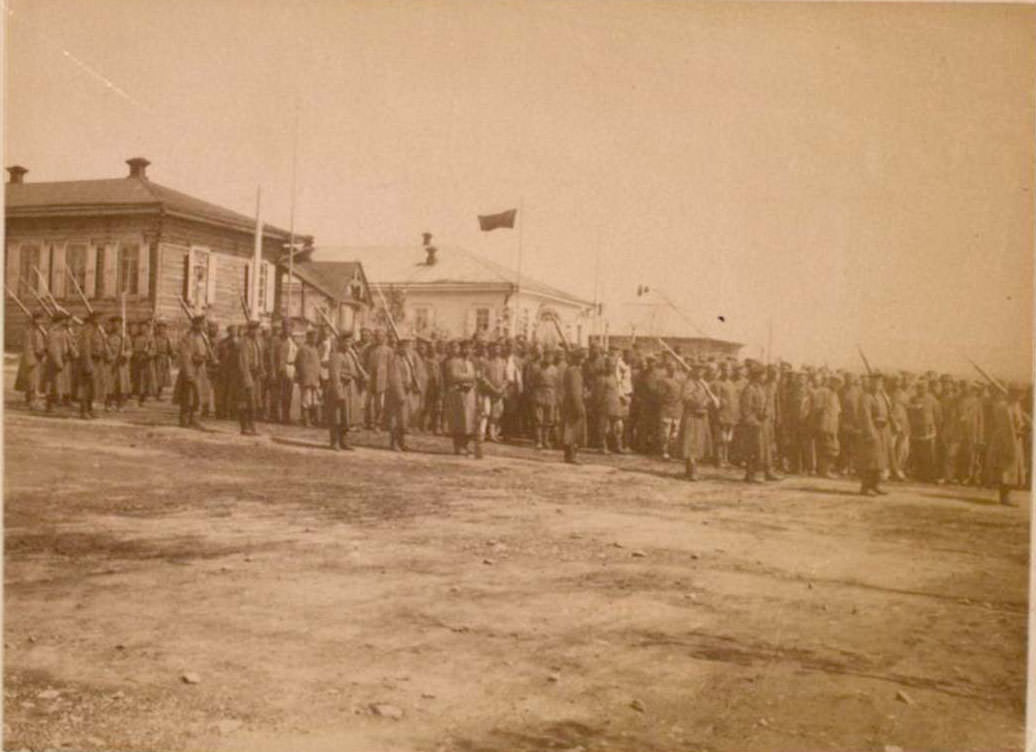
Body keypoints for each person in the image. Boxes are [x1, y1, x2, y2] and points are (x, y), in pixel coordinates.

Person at [987, 385, 1027, 506]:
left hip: (1014, 438)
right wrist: (1014, 437)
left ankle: (1005, 497)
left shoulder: (1014, 405)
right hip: (1005, 440)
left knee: (1011, 467)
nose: (1021, 397)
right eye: (1019, 394)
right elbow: (1008, 427)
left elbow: (1018, 422)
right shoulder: (1004, 407)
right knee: (1006, 468)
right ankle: (1004, 498)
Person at [679, 363, 715, 480]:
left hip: (702, 416)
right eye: (698, 370)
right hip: (692, 416)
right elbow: (685, 397)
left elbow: (710, 397)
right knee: (690, 442)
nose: (701, 372)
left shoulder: (704, 383)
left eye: (702, 370)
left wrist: (708, 401)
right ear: (693, 371)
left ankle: (691, 470)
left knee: (698, 443)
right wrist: (699, 403)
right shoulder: (689, 383)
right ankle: (691, 470)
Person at [175, 314, 212, 428]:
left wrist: (206, 358)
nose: (201, 326)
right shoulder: (187, 338)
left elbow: (206, 352)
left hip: (200, 371)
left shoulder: (203, 337)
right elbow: (185, 356)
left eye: (203, 324)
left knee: (198, 396)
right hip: (190, 370)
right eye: (199, 324)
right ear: (194, 324)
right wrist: (189, 374)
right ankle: (184, 419)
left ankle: (194, 419)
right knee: (188, 396)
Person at [857, 372, 890, 496]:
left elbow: (887, 412)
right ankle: (865, 487)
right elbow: (866, 416)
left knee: (880, 460)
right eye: (875, 382)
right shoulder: (866, 397)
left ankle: (875, 485)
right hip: (871, 431)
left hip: (882, 431)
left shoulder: (882, 397)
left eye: (880, 382)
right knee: (870, 460)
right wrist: (870, 432)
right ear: (870, 383)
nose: (878, 384)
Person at [386, 336, 421, 451]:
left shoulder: (407, 360)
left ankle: (402, 442)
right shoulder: (395, 360)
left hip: (407, 392)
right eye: (405, 347)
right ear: (400, 347)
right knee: (395, 419)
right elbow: (394, 378)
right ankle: (394, 443)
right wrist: (400, 394)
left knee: (404, 419)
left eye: (409, 347)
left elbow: (412, 374)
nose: (407, 350)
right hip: (397, 393)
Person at [325, 333, 359, 451]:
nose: (348, 344)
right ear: (340, 342)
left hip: (349, 388)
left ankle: (344, 441)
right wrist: (338, 392)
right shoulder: (335, 356)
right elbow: (334, 375)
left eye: (350, 342)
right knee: (337, 416)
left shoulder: (349, 355)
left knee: (346, 416)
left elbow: (354, 370)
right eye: (346, 342)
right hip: (339, 388)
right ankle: (334, 441)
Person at [444, 340, 478, 455]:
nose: (467, 351)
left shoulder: (470, 363)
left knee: (468, 421)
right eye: (465, 348)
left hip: (469, 395)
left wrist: (471, 380)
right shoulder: (454, 362)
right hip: (457, 394)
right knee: (459, 421)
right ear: (461, 349)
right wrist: (469, 377)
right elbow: (454, 376)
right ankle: (458, 446)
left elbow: (475, 377)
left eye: (470, 349)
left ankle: (465, 445)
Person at [233, 320, 265, 436]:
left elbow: (260, 357)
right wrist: (246, 378)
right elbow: (243, 362)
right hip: (246, 374)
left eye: (257, 329)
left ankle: (252, 426)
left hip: (255, 374)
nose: (256, 332)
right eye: (254, 329)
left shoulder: (258, 341)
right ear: (249, 330)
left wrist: (262, 370)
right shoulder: (243, 342)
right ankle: (244, 426)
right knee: (245, 401)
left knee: (254, 401)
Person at [76, 310, 107, 419]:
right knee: (86, 387)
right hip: (90, 361)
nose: (101, 320)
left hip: (97, 362)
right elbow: (85, 348)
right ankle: (84, 411)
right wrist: (87, 363)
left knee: (93, 387)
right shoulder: (88, 330)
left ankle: (89, 409)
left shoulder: (96, 330)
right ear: (93, 319)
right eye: (99, 318)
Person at [812, 374, 842, 479]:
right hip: (824, 424)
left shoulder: (835, 394)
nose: (838, 385)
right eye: (836, 383)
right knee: (826, 447)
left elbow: (838, 410)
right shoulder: (823, 392)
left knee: (833, 447)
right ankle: (824, 470)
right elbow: (817, 408)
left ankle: (826, 469)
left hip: (833, 424)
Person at [560, 348, 587, 465]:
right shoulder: (574, 371)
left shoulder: (571, 370)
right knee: (573, 430)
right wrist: (579, 406)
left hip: (570, 402)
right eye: (582, 358)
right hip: (573, 404)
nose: (584, 360)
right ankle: (571, 455)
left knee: (570, 429)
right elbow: (574, 391)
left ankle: (569, 455)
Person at [18, 311, 48, 410]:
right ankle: (32, 402)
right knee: (32, 381)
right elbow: (31, 346)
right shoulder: (30, 331)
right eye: (40, 319)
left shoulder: (36, 330)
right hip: (32, 359)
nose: (41, 321)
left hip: (35, 358)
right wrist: (42, 352)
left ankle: (31, 400)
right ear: (35, 319)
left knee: (33, 381)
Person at [365, 330, 393, 430]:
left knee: (380, 403)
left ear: (384, 337)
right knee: (369, 402)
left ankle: (379, 422)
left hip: (382, 379)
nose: (378, 338)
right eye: (376, 336)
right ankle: (370, 422)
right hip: (370, 378)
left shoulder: (389, 350)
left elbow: (391, 366)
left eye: (380, 336)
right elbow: (364, 362)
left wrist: (389, 380)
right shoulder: (369, 349)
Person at [479, 342, 507, 442]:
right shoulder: (486, 362)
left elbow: (506, 378)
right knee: (485, 412)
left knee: (496, 414)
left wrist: (502, 388)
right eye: (494, 349)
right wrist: (492, 388)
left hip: (499, 392)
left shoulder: (504, 362)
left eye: (498, 349)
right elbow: (483, 377)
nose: (496, 351)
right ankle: (481, 434)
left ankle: (492, 434)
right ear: (490, 350)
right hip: (487, 391)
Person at [272, 319, 298, 424]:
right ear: (282, 328)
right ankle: (277, 416)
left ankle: (286, 416)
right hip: (281, 368)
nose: (288, 329)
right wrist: (273, 371)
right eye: (286, 327)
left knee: (288, 394)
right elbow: (272, 357)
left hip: (291, 367)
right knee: (279, 393)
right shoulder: (277, 340)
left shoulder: (293, 340)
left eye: (290, 327)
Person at [295, 329, 322, 427]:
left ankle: (313, 420)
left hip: (315, 379)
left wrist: (317, 378)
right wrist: (307, 380)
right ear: (309, 337)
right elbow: (302, 365)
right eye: (313, 337)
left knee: (314, 400)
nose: (315, 339)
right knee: (306, 400)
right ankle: (306, 421)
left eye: (316, 337)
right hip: (307, 380)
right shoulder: (304, 349)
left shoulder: (314, 348)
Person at [657, 359, 683, 460]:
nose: (672, 369)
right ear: (667, 369)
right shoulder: (663, 381)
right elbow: (660, 395)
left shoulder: (679, 381)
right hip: (666, 409)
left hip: (677, 410)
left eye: (674, 367)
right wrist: (668, 400)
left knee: (675, 432)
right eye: (670, 367)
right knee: (665, 432)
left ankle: (672, 451)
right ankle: (664, 451)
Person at [131, 319, 157, 405]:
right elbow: (131, 348)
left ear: (147, 328)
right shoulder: (135, 337)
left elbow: (153, 350)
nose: (142, 329)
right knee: (137, 379)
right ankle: (138, 395)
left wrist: (148, 354)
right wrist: (134, 354)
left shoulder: (150, 338)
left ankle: (144, 397)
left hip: (146, 362)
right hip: (137, 361)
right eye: (141, 327)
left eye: (144, 327)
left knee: (146, 379)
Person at [152, 321, 174, 401]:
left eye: (163, 328)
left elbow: (170, 349)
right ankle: (155, 393)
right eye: (160, 328)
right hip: (156, 359)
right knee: (156, 376)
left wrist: (172, 355)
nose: (161, 330)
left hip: (164, 359)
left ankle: (159, 393)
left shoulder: (166, 338)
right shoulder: (154, 338)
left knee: (163, 377)